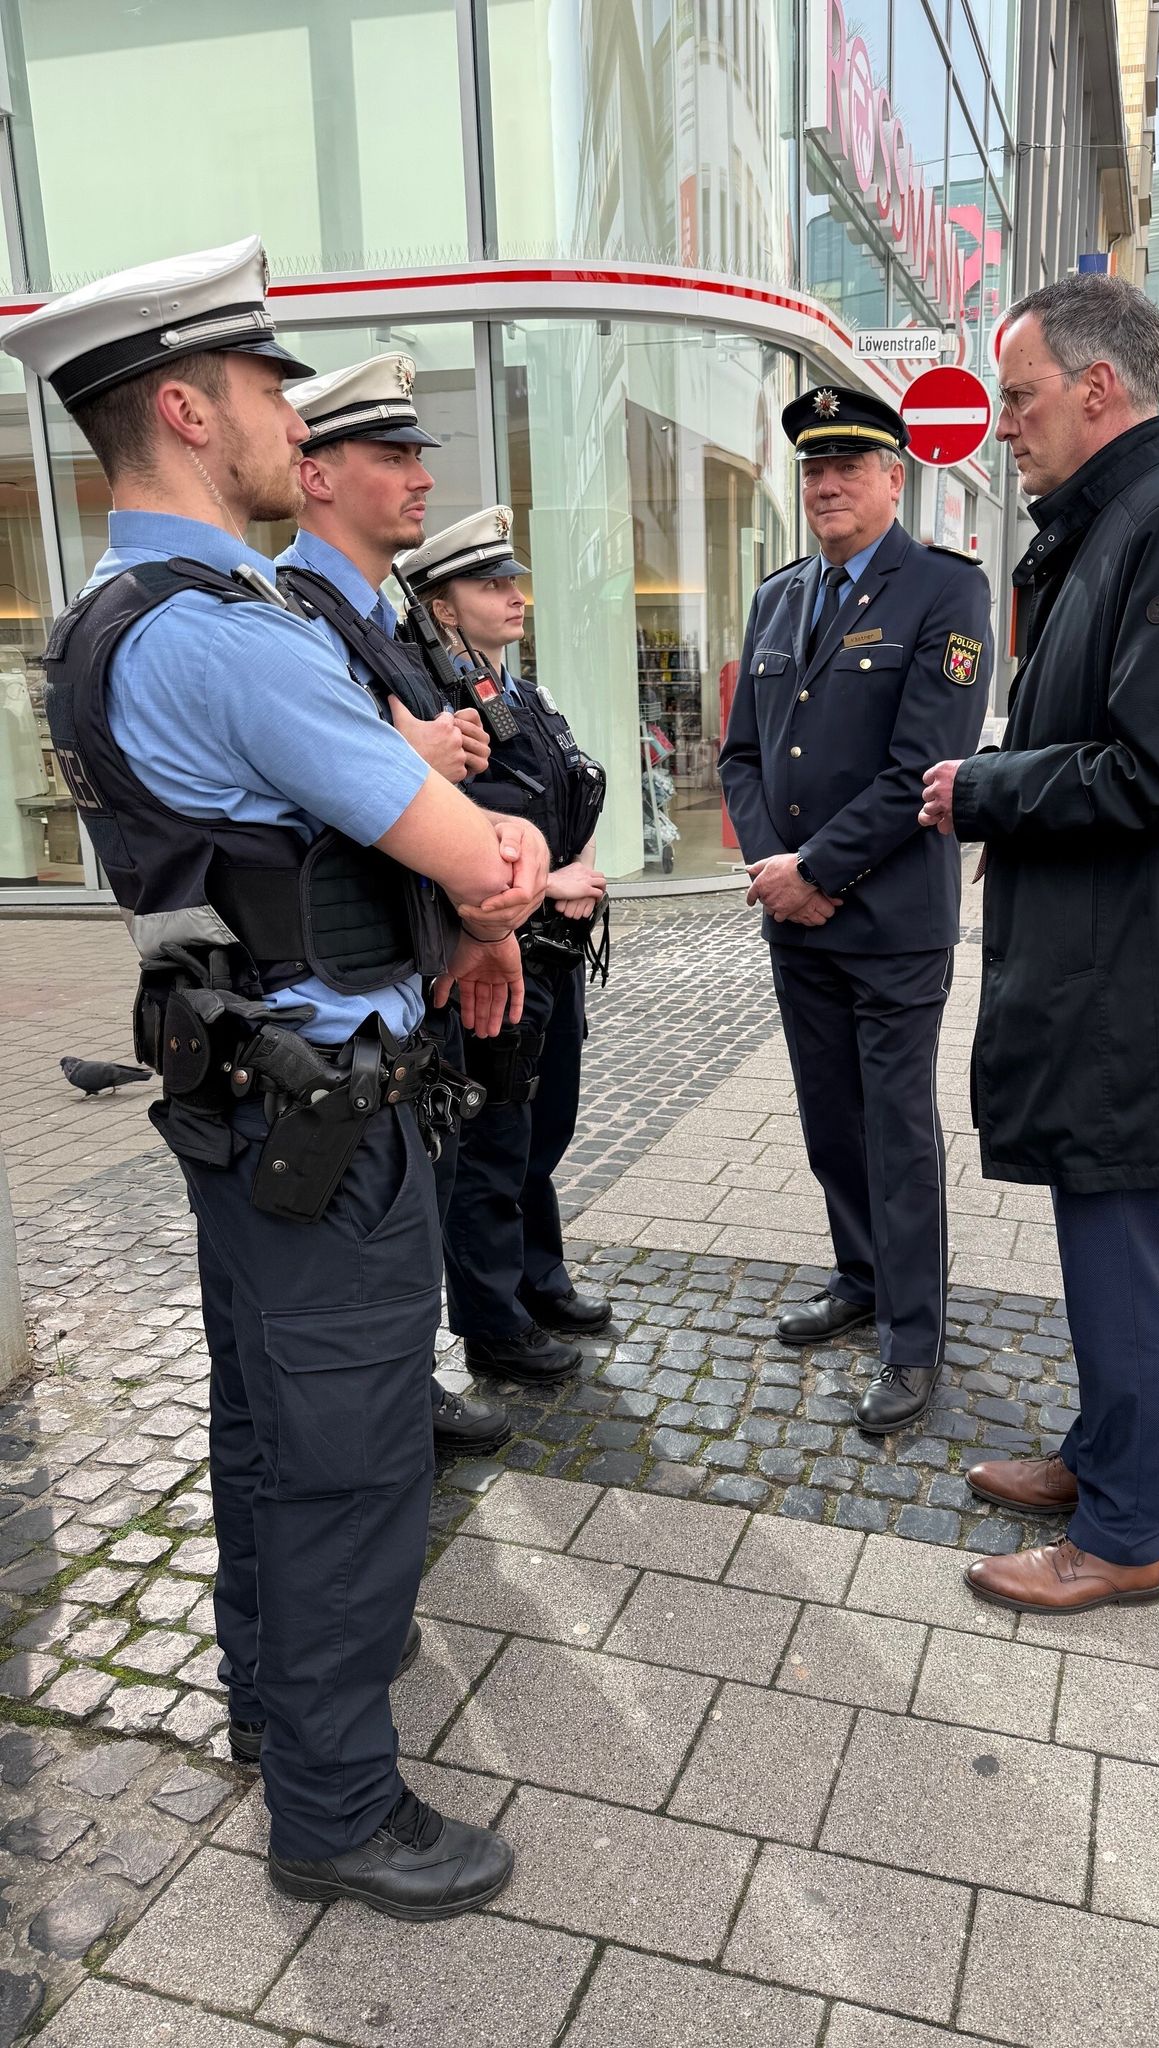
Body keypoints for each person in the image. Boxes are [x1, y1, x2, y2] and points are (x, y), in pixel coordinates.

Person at [4, 237, 548, 1918]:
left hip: (240, 1096)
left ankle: (266, 1703)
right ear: (183, 403)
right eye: (259, 391)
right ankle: (333, 1800)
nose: (280, 420)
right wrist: (501, 851)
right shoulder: (235, 634)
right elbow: (469, 850)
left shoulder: (109, 620)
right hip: (329, 1109)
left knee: (263, 1424)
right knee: (351, 1451)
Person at [918, 272, 1159, 1614]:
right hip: (1108, 962)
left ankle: (1124, 1534)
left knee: (1119, 1248)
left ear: (1095, 388)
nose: (1004, 422)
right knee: (1101, 1236)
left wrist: (984, 788)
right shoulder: (1117, 523)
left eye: (1017, 398)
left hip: (1133, 978)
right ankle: (1097, 1457)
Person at [719, 385, 992, 1434]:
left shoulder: (943, 593)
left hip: (889, 920)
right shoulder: (781, 595)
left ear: (894, 477)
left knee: (897, 1128)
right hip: (798, 914)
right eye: (813, 469)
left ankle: (913, 1336)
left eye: (849, 466)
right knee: (831, 1120)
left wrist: (818, 870)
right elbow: (743, 754)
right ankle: (860, 1274)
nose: (827, 484)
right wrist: (774, 866)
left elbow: (921, 767)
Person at [274, 353, 519, 1455]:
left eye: (420, 454)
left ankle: (407, 1390)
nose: (421, 478)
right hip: (341, 995)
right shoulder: (291, 615)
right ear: (315, 474)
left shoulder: (384, 613)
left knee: (419, 1211)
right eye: (392, 456)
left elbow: (449, 775)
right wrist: (411, 756)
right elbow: (319, 794)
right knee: (360, 1261)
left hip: (408, 972)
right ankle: (384, 1427)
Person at [397, 508, 611, 1380]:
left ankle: (537, 1274)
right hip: (491, 951)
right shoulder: (435, 706)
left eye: (514, 580)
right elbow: (449, 821)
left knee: (541, 1128)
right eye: (491, 585)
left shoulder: (518, 693)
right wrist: (549, 882)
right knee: (492, 1140)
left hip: (550, 950)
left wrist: (583, 867)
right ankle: (492, 1320)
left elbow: (574, 789)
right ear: (443, 608)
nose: (515, 597)